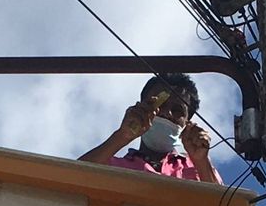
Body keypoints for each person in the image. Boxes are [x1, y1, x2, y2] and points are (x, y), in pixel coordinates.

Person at [80, 73, 220, 183]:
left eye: (177, 110)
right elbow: (70, 180)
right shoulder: (110, 166)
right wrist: (122, 135)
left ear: (187, 123)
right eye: (160, 104)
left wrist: (202, 160)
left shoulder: (198, 169)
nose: (166, 113)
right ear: (141, 107)